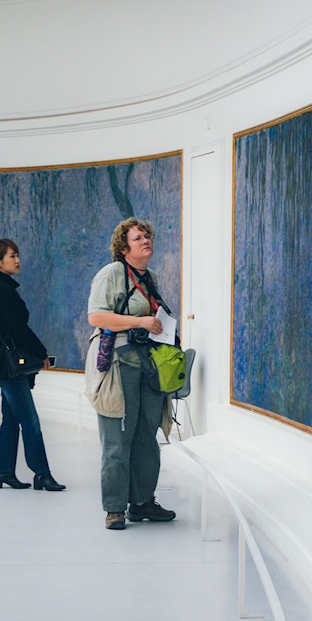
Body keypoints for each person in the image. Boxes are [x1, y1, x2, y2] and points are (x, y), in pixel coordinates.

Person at [87, 218, 177, 530]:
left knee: (146, 438)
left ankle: (142, 502)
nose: (145, 241)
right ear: (124, 248)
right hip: (119, 364)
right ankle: (114, 508)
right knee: (117, 437)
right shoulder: (111, 274)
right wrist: (140, 323)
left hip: (149, 365)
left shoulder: (149, 277)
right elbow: (96, 316)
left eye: (148, 236)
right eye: (138, 238)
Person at [0, 238, 65, 492]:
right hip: (9, 367)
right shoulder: (1, 289)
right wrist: (41, 352)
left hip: (2, 363)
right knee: (30, 420)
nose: (17, 260)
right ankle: (42, 474)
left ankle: (4, 472)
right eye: (11, 256)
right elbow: (19, 328)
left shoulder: (0, 286)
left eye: (17, 255)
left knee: (10, 419)